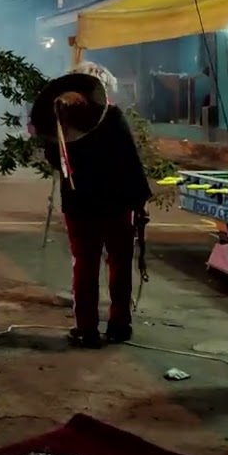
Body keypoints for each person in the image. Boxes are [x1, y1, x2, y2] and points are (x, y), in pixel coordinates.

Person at [31, 70, 151, 349]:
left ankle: (86, 329)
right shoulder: (112, 118)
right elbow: (131, 162)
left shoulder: (60, 131)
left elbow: (56, 165)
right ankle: (120, 325)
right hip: (117, 205)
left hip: (81, 208)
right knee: (119, 265)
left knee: (85, 267)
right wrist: (140, 201)